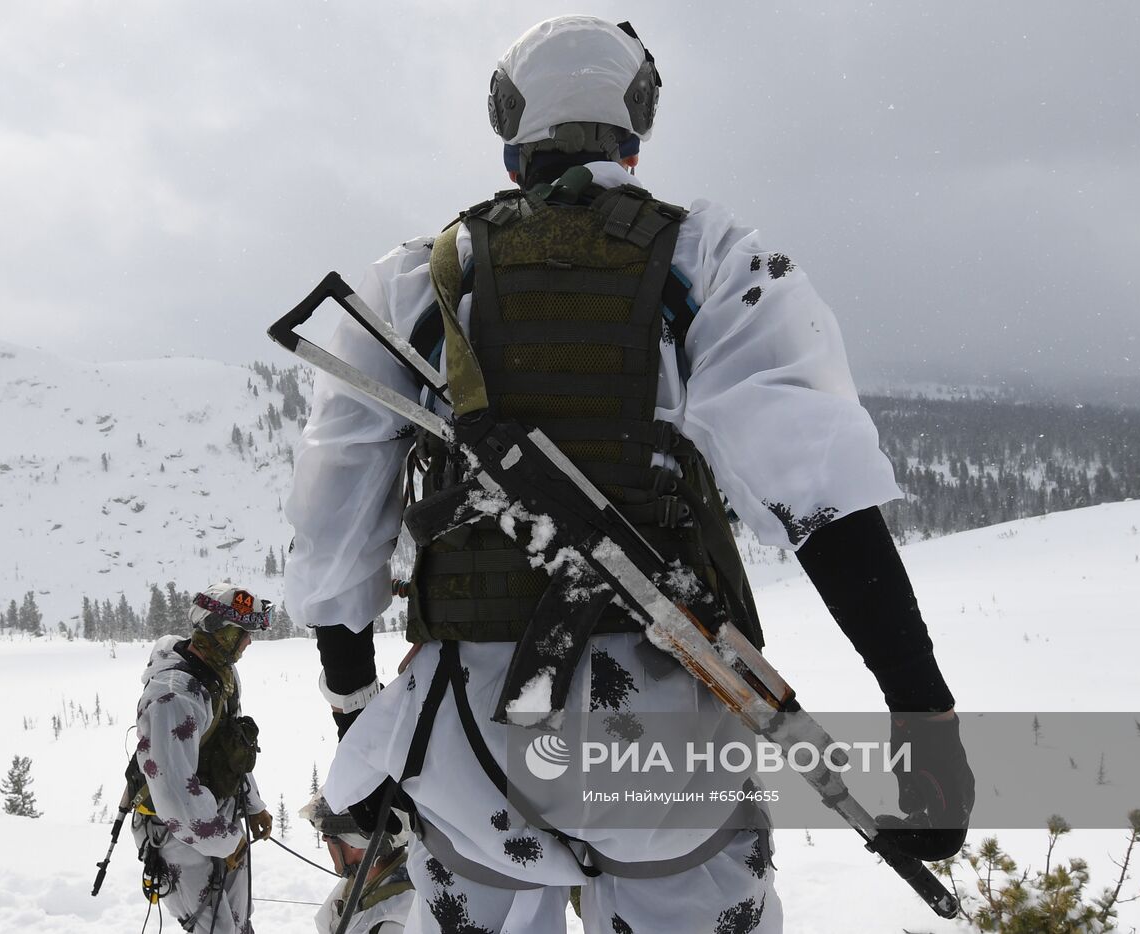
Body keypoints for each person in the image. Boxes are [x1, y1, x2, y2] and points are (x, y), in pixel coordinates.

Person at [287, 15, 973, 933]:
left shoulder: (420, 282)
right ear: (636, 125)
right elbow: (824, 495)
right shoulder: (712, 261)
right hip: (668, 740)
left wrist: (357, 724)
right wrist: (923, 718)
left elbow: (334, 538)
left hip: (465, 748)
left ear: (509, 129)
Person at [129, 582, 275, 934]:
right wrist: (227, 841)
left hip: (217, 815)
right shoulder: (174, 696)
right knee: (214, 929)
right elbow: (175, 796)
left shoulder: (222, 675)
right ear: (221, 633)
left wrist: (253, 805)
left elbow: (231, 746)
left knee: (239, 920)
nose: (249, 642)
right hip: (175, 831)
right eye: (243, 633)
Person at [301, 793, 415, 934]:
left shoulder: (394, 926)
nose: (325, 840)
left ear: (355, 843)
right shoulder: (359, 882)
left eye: (328, 835)